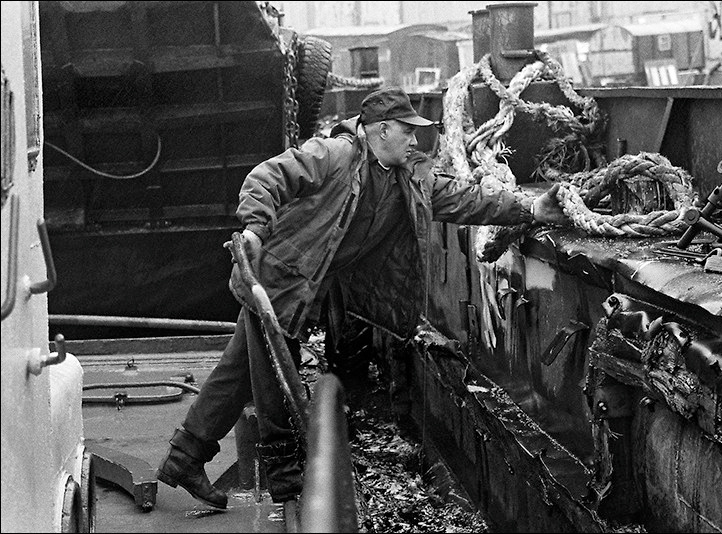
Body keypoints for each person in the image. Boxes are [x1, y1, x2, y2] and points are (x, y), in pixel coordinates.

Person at [156, 87, 569, 509]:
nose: (415, 140)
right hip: (276, 283)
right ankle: (286, 479)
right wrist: (254, 228)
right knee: (275, 381)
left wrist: (531, 209)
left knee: (239, 373)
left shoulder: (409, 179)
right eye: (408, 131)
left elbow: (465, 199)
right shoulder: (335, 155)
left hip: (304, 292)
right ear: (382, 130)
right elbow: (267, 177)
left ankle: (185, 459)